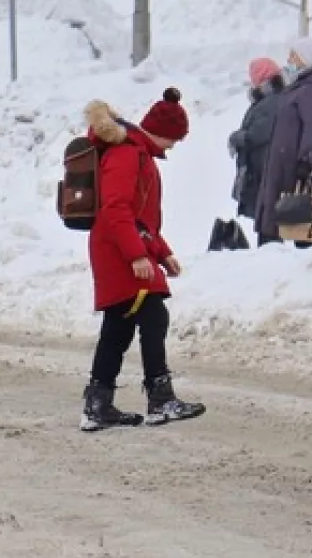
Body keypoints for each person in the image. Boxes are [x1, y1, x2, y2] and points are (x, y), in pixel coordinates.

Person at [80, 88, 207, 431]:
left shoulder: (136, 153)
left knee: (118, 327)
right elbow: (117, 208)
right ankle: (160, 399)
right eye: (175, 139)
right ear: (161, 130)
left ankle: (98, 404)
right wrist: (137, 255)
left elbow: (141, 219)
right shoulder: (127, 153)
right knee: (153, 316)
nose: (174, 146)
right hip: (119, 250)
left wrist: (163, 253)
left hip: (121, 245)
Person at [254, 38, 312, 247]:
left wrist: (306, 162)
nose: (288, 59)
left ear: (305, 59)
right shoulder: (297, 87)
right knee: (273, 221)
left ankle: (305, 263)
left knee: (302, 220)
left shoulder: (311, 90)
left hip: (295, 166)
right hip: (281, 163)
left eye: (293, 55)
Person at [219, 57, 285, 249]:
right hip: (263, 167)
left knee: (268, 221)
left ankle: (270, 257)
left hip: (264, 168)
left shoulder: (271, 102)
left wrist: (236, 138)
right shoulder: (270, 100)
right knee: (265, 218)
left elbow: (259, 133)